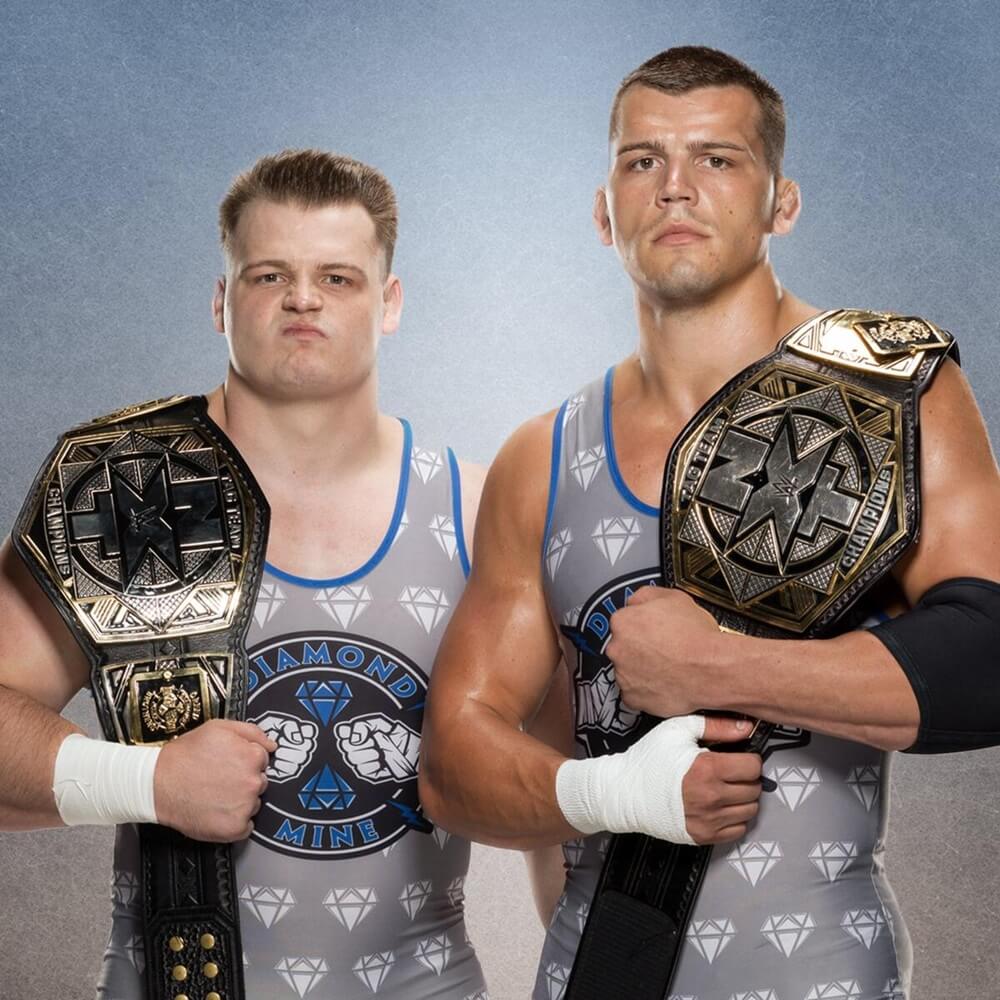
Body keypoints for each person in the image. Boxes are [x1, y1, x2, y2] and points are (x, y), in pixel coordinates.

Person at [420, 46, 1000, 1000]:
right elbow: (452, 764)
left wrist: (721, 668)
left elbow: (987, 655)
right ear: (604, 212)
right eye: (642, 160)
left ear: (783, 203)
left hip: (821, 976)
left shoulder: (892, 392)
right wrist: (615, 794)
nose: (675, 187)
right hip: (600, 972)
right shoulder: (543, 456)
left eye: (717, 159)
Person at [0, 149, 490, 1000]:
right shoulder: (119, 490)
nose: (303, 299)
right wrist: (148, 782)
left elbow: (556, 786)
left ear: (390, 302)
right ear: (221, 301)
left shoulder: (476, 506)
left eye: (337, 277)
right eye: (270, 275)